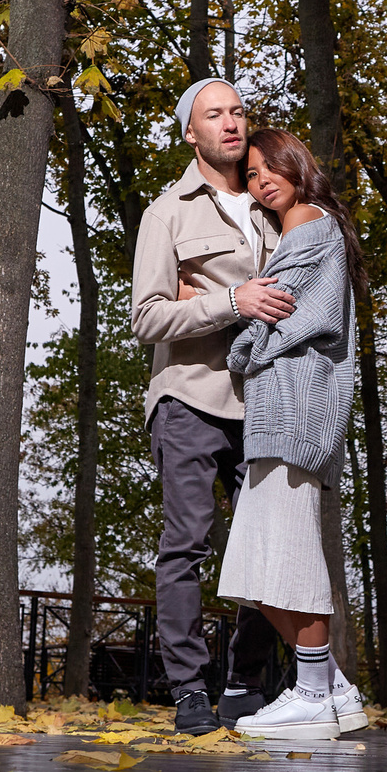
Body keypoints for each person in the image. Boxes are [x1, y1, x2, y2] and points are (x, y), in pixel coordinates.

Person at [129, 77, 289, 734]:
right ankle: (190, 689)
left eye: (238, 110)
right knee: (186, 545)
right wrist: (230, 301)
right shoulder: (167, 213)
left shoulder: (274, 205)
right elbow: (146, 316)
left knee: (270, 544)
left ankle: (245, 680)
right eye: (212, 114)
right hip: (190, 398)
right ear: (190, 133)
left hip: (268, 403)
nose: (230, 122)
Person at [212, 128, 370, 741]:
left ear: (297, 163)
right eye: (251, 175)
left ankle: (310, 695)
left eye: (271, 166)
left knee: (288, 556)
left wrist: (244, 344)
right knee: (252, 567)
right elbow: (278, 313)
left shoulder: (311, 227)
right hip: (275, 418)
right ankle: (333, 688)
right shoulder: (295, 234)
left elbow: (306, 319)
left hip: (297, 415)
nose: (262, 180)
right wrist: (253, 328)